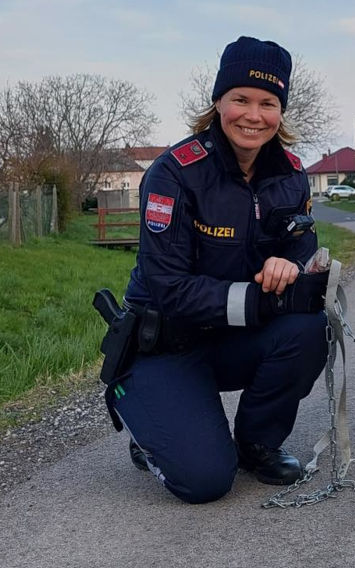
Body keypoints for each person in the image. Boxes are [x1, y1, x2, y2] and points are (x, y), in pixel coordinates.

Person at [108, 36, 330, 504]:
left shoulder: (291, 173)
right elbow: (168, 288)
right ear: (218, 102)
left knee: (309, 328)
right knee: (205, 482)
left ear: (281, 110)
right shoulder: (175, 173)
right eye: (241, 99)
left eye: (268, 102)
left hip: (230, 339)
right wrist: (260, 300)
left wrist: (289, 262)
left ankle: (257, 443)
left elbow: (302, 237)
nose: (254, 115)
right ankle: (147, 422)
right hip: (164, 344)